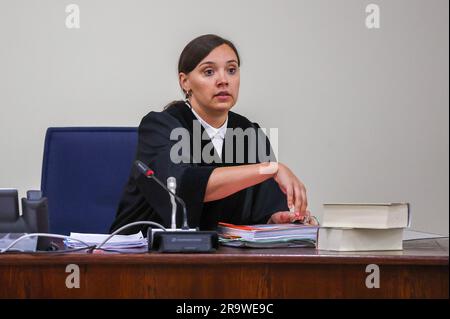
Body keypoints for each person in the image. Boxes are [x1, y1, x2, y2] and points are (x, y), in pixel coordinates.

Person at [110, 34, 313, 234]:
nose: (223, 80)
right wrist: (270, 169)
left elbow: (262, 208)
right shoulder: (161, 126)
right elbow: (183, 187)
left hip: (223, 257)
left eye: (231, 70)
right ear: (185, 82)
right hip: (144, 256)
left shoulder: (249, 132)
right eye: (209, 72)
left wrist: (277, 219)